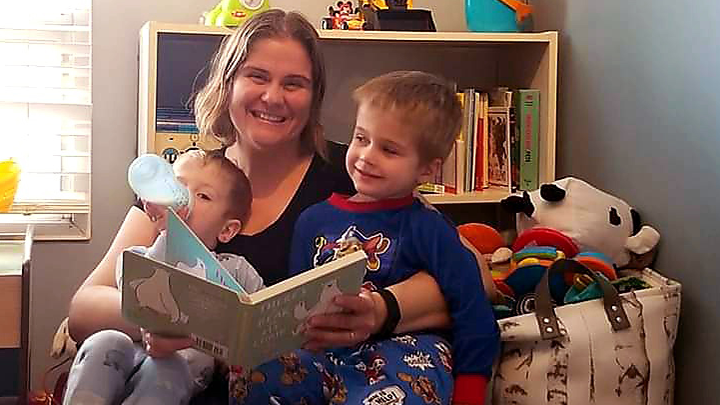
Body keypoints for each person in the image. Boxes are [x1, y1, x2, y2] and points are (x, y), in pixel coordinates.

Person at [67, 9, 496, 404]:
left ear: (313, 98)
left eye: (294, 83)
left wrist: (383, 310)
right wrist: (184, 325)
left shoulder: (358, 174)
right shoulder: (184, 183)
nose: (273, 97)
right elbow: (84, 309)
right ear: (228, 83)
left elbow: (477, 275)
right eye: (257, 76)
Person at [250, 71, 498, 405]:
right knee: (258, 371)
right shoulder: (313, 221)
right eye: (361, 139)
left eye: (389, 150)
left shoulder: (429, 227)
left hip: (404, 352)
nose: (366, 156)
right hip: (324, 352)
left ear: (427, 170)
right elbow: (297, 304)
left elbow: (474, 310)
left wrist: (470, 392)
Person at [63, 150, 265, 404]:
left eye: (202, 196)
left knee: (169, 368)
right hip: (128, 355)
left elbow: (258, 325)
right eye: (177, 186)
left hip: (177, 370)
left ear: (226, 230)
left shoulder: (236, 271)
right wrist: (166, 231)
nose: (184, 200)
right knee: (105, 339)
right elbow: (137, 287)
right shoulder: (139, 256)